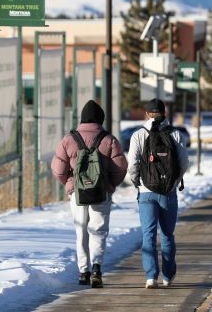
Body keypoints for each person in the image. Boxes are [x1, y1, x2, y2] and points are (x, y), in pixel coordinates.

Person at [51, 100, 128, 288]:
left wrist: (70, 184)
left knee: (81, 231)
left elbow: (58, 169)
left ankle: (83, 271)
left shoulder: (69, 140)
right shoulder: (109, 139)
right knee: (98, 230)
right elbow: (121, 167)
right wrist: (109, 185)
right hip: (101, 192)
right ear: (100, 119)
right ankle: (96, 268)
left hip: (77, 193)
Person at [127, 98, 189, 289]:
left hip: (146, 192)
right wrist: (174, 182)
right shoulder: (176, 135)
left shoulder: (138, 135)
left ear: (147, 114)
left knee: (148, 234)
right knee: (168, 234)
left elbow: (133, 164)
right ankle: (168, 276)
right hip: (168, 193)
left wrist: (138, 182)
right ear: (164, 114)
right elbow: (184, 163)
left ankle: (151, 276)